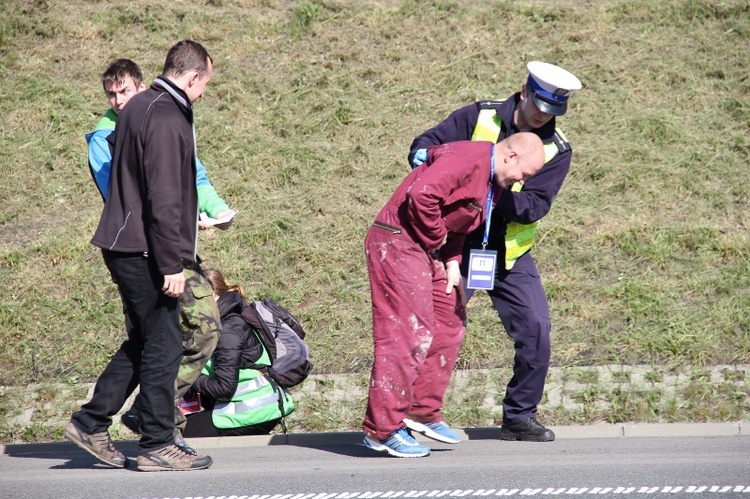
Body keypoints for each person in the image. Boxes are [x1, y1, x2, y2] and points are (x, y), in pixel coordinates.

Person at [407, 61, 582, 442]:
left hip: (508, 254)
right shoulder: (478, 115)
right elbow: (426, 143)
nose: (542, 116)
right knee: (440, 329)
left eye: (552, 111)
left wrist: (483, 186)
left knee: (537, 330)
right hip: (455, 244)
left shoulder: (557, 149)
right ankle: (413, 411)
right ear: (525, 92)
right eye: (538, 105)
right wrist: (424, 160)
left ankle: (519, 417)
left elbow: (534, 205)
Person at [65, 39, 216, 472]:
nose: (202, 92)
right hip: (145, 249)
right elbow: (164, 197)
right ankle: (155, 443)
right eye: (203, 83)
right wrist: (171, 264)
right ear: (190, 77)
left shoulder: (137, 107)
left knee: (147, 340)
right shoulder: (168, 117)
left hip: (126, 242)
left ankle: (90, 422)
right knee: (166, 343)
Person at [363, 133, 546, 458]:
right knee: (407, 334)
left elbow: (458, 223)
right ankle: (384, 430)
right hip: (398, 242)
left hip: (427, 250)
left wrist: (451, 262)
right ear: (511, 156)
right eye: (524, 174)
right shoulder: (467, 159)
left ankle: (421, 410)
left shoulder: (493, 182)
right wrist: (436, 242)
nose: (522, 181)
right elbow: (422, 196)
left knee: (451, 319)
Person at [181, 268, 294, 438]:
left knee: (172, 434)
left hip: (253, 411)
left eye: (191, 298)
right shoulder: (225, 321)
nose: (187, 305)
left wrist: (188, 376)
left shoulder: (228, 331)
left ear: (210, 294)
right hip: (255, 407)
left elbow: (224, 388)